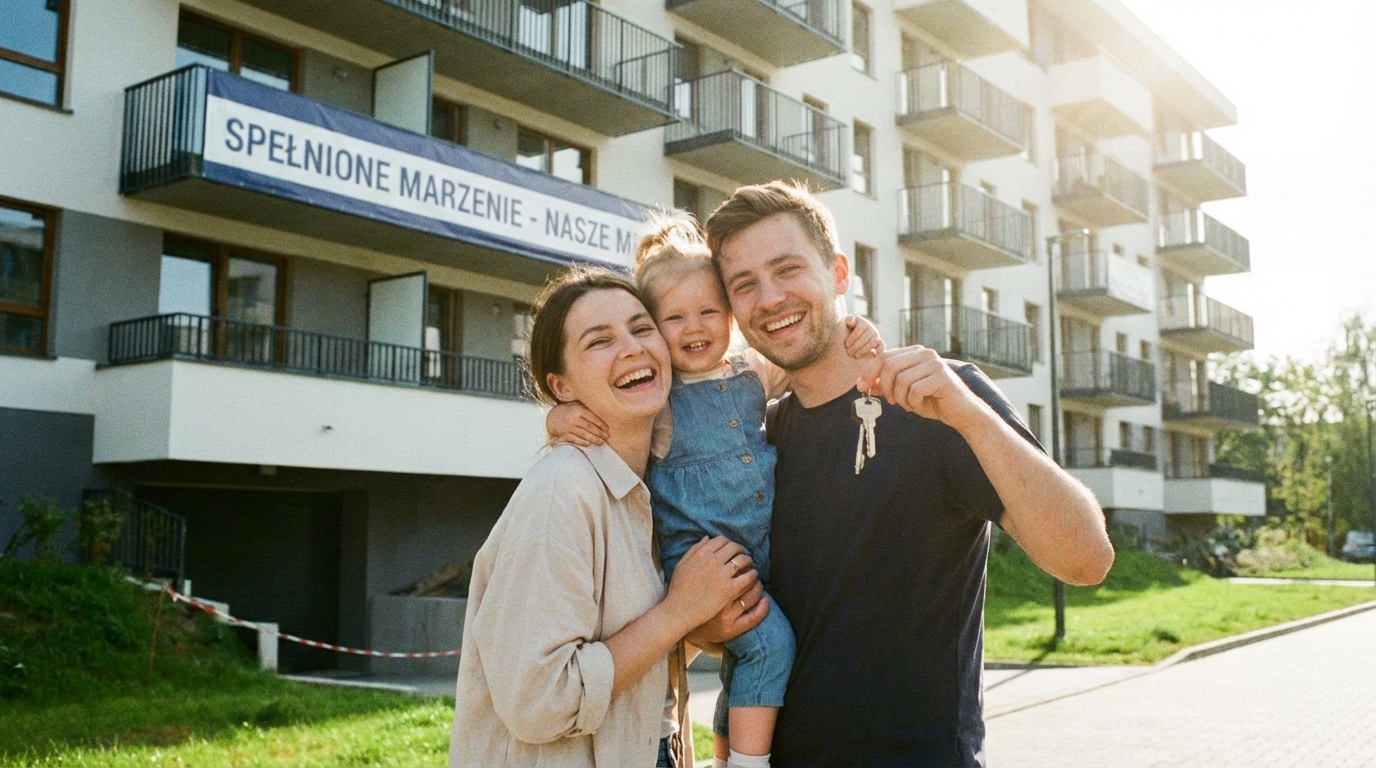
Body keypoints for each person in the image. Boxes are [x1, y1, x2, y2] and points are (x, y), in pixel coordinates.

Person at [703, 181, 1116, 767]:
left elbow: (1086, 559)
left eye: (786, 269)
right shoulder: (755, 442)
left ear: (839, 273)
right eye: (744, 284)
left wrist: (970, 417)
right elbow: (725, 619)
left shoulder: (943, 398)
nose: (768, 297)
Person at [547, 214, 883, 768]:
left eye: (708, 311)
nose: (695, 327)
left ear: (730, 314)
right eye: (673, 318)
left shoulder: (750, 369)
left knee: (745, 663)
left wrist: (859, 329)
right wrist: (560, 416)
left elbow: (812, 356)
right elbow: (598, 412)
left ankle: (726, 757)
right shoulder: (657, 398)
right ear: (651, 327)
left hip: (755, 554)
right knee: (770, 649)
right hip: (702, 564)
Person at [449, 265, 763, 768]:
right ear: (562, 385)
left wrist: (700, 625)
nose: (634, 347)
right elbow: (539, 701)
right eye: (599, 341)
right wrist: (678, 613)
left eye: (642, 329)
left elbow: (626, 654)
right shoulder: (562, 494)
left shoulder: (651, 490)